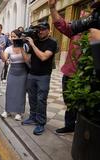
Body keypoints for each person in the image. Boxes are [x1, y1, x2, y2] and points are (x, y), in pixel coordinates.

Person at [48, 0, 82, 134]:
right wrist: (52, 8)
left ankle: (82, 128)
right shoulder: (77, 31)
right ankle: (69, 125)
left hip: (85, 77)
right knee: (69, 102)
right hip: (69, 74)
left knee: (83, 105)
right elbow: (60, 24)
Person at [21, 22, 57, 135]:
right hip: (32, 74)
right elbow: (27, 60)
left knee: (41, 100)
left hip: (44, 76)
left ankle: (41, 123)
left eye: (42, 29)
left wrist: (32, 45)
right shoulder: (35, 42)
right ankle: (33, 117)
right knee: (32, 98)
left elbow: (43, 57)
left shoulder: (52, 43)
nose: (40, 31)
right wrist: (21, 47)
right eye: (39, 30)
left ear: (48, 30)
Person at [1, 29, 30, 121]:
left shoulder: (25, 46)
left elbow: (27, 60)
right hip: (12, 71)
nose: (13, 38)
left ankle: (19, 112)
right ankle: (8, 110)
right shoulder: (8, 48)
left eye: (15, 37)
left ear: (19, 37)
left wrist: (21, 48)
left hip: (23, 71)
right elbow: (4, 59)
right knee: (9, 91)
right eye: (11, 36)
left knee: (21, 92)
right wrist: (0, 49)